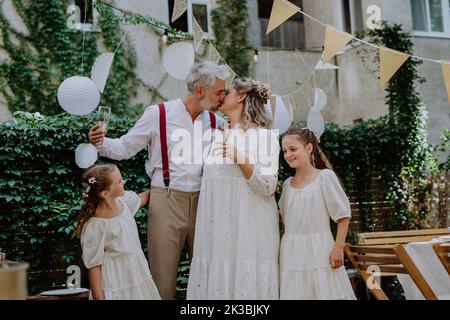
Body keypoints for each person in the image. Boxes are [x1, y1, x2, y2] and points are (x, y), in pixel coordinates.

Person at [87, 61, 229, 299]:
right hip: (166, 200)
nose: (222, 98)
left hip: (206, 203)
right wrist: (99, 141)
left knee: (206, 279)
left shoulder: (217, 122)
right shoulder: (158, 114)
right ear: (200, 91)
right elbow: (124, 147)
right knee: (162, 281)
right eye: (219, 92)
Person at [187, 78, 280, 299]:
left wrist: (238, 155)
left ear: (241, 96)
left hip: (249, 233)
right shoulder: (216, 134)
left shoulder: (263, 137)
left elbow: (268, 185)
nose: (220, 96)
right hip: (216, 234)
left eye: (226, 92)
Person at [278, 127, 356, 300]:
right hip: (291, 253)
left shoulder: (324, 178)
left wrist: (338, 248)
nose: (288, 155)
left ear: (309, 148)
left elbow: (343, 216)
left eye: (293, 149)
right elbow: (282, 217)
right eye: (284, 151)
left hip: (320, 250)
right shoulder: (286, 185)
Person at [76, 163, 161, 300]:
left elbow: (142, 198)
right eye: (120, 181)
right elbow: (94, 266)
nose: (124, 182)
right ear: (105, 193)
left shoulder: (125, 201)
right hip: (115, 282)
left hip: (137, 274)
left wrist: (161, 188)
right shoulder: (95, 226)